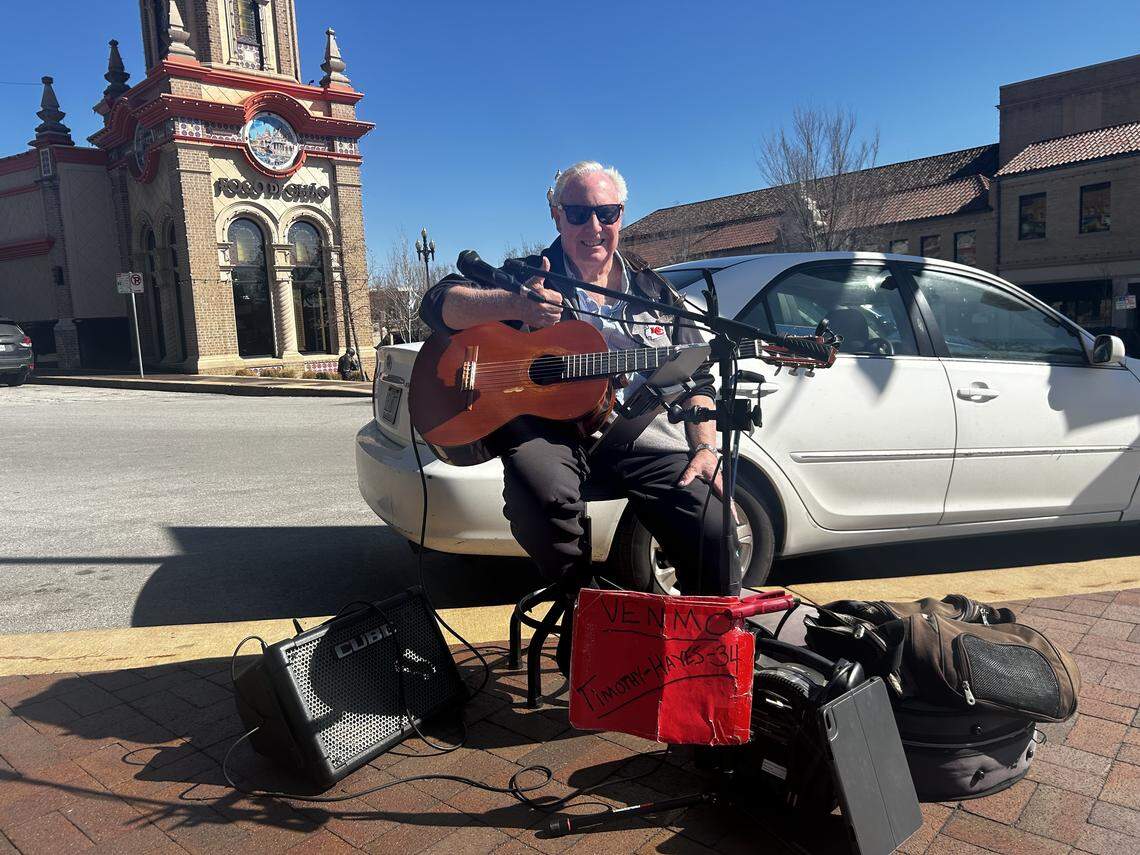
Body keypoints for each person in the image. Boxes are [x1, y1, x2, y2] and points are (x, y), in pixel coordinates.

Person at [419, 161, 737, 668]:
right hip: (551, 435)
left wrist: (703, 445)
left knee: (716, 530)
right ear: (556, 215)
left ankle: (702, 666)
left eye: (605, 213)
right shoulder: (526, 276)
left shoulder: (652, 291)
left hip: (640, 438)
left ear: (620, 215)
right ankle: (586, 610)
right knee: (543, 494)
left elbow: (696, 378)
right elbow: (437, 305)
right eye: (578, 213)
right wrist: (512, 304)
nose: (593, 227)